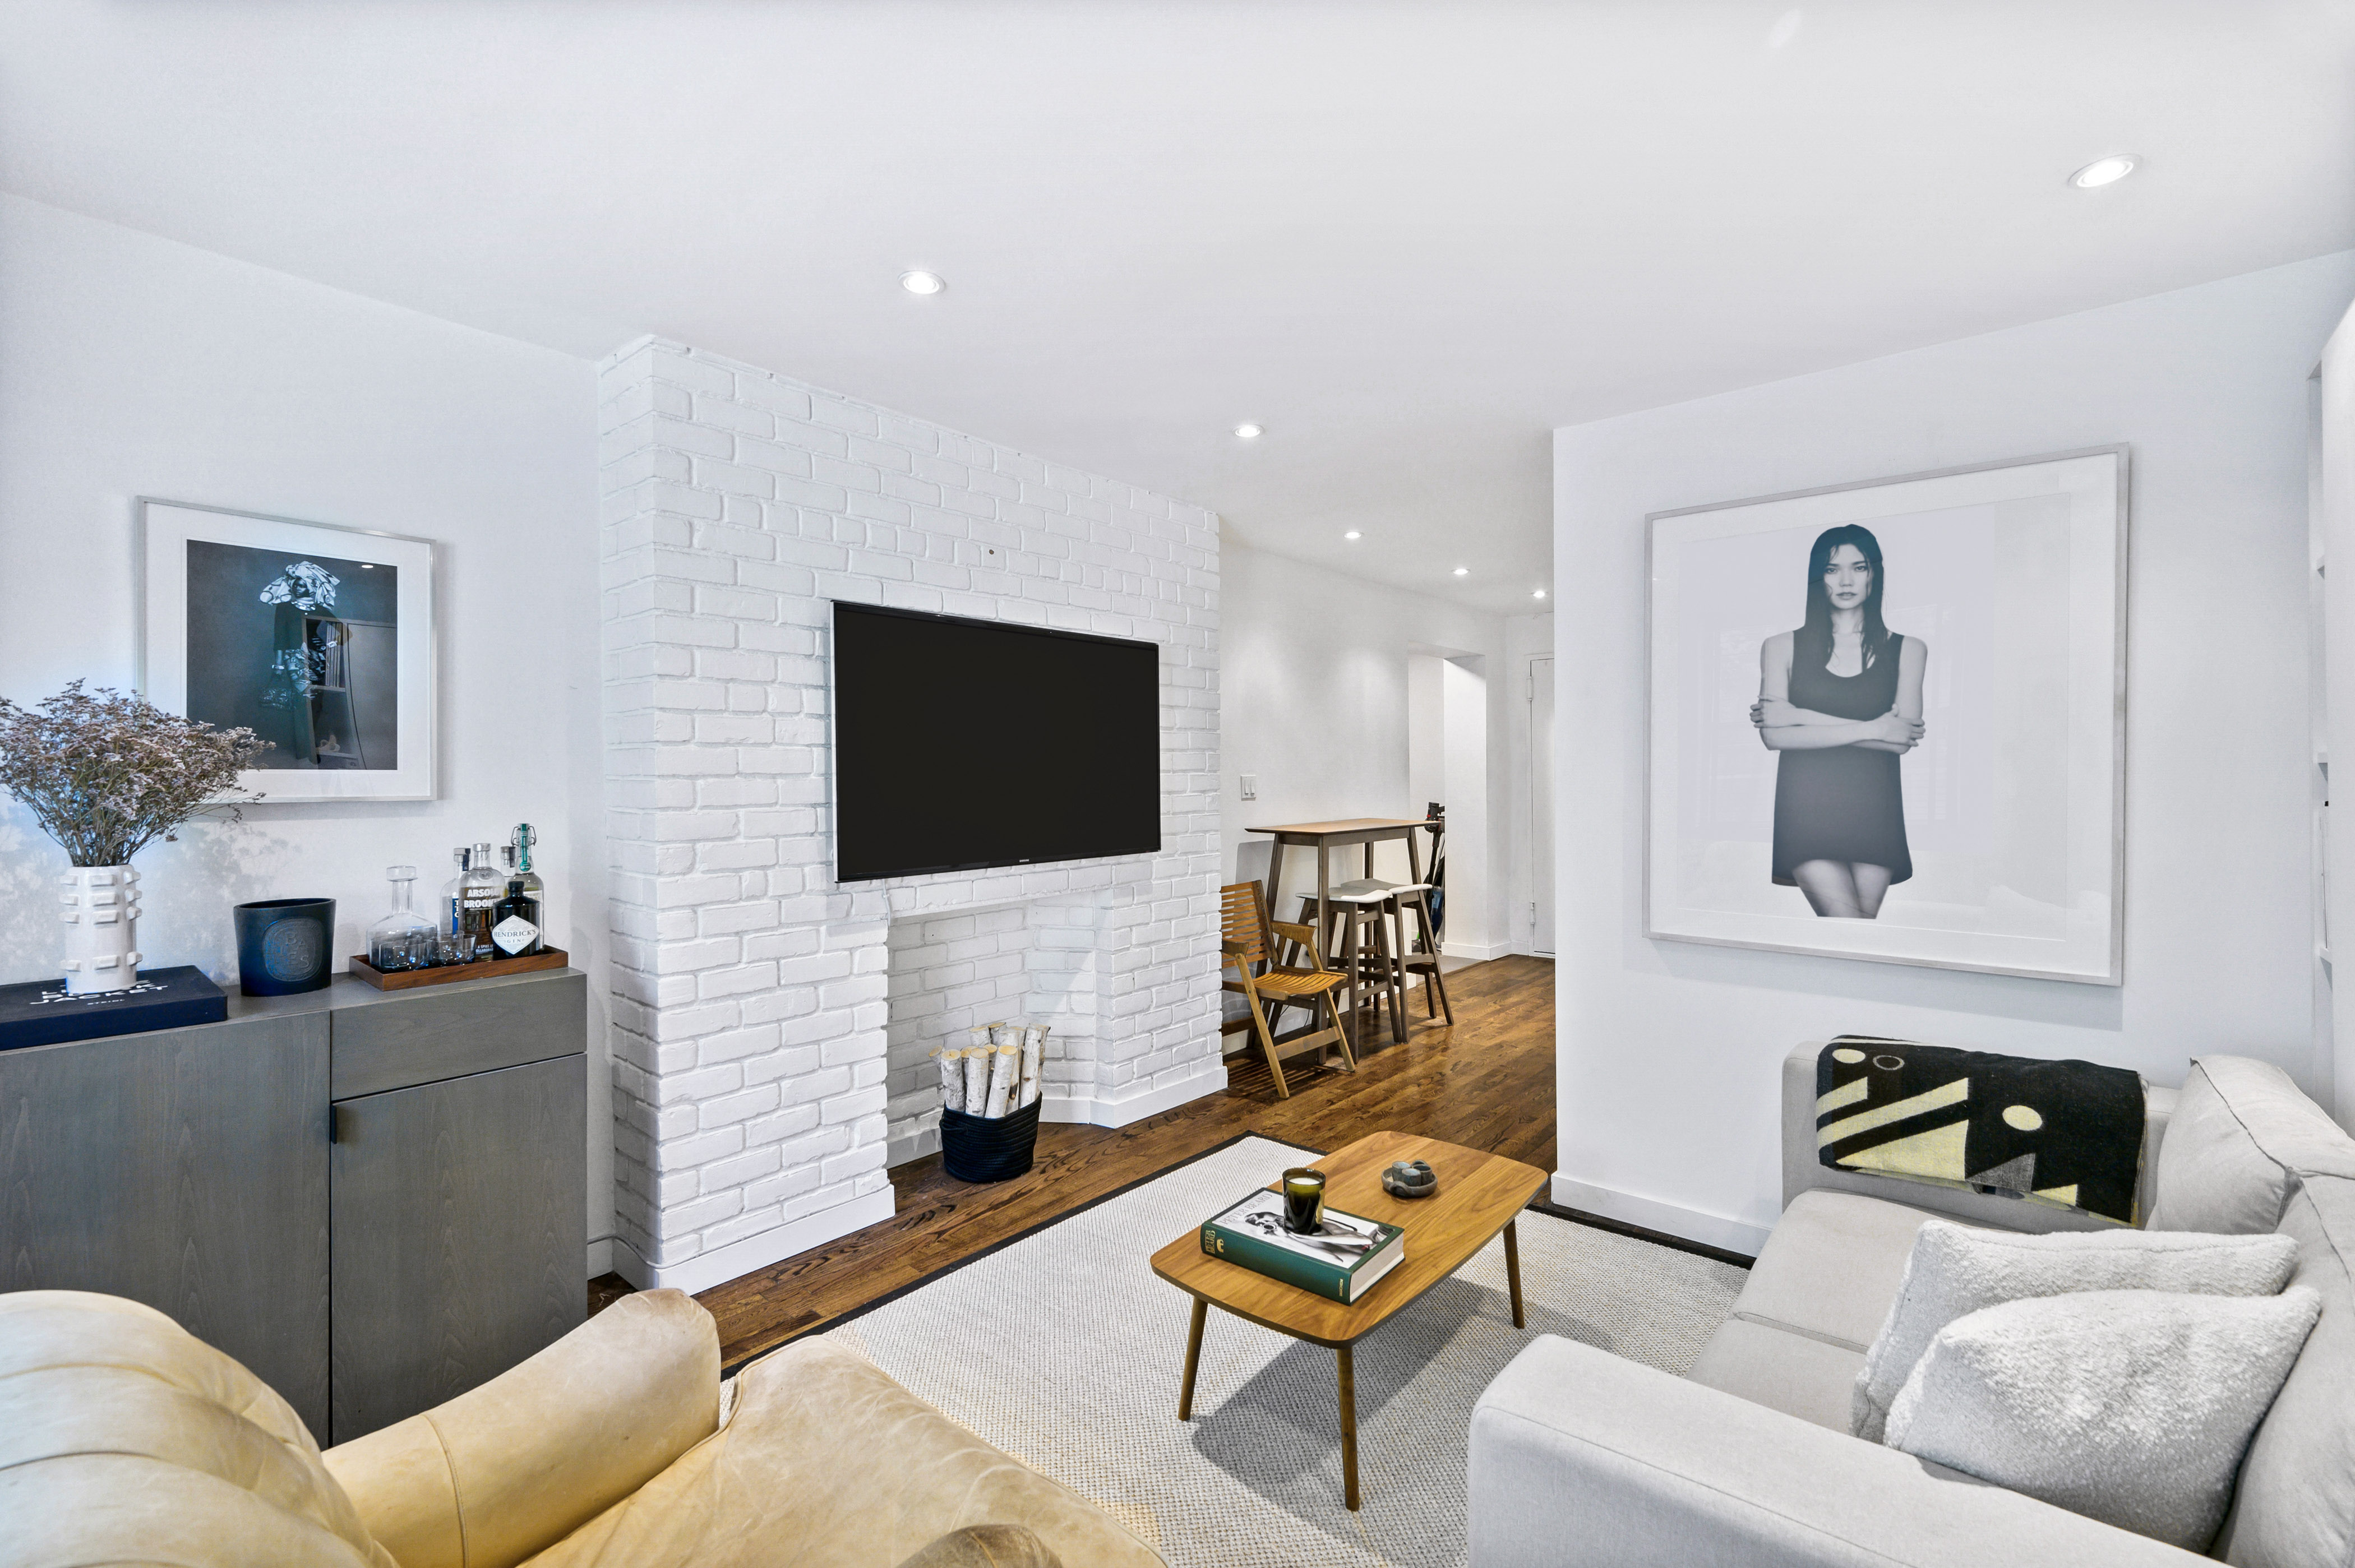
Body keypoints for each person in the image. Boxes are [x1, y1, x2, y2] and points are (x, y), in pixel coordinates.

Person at [1749, 524, 1928, 919]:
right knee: (1846, 926)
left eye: (1858, 567)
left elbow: (1899, 741)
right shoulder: (1780, 647)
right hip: (1806, 811)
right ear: (1818, 577)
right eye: (1832, 569)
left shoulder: (1909, 650)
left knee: (1861, 935)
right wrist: (1873, 727)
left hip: (1875, 811)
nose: (1846, 580)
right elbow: (1775, 737)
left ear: (1874, 574)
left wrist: (1800, 716)